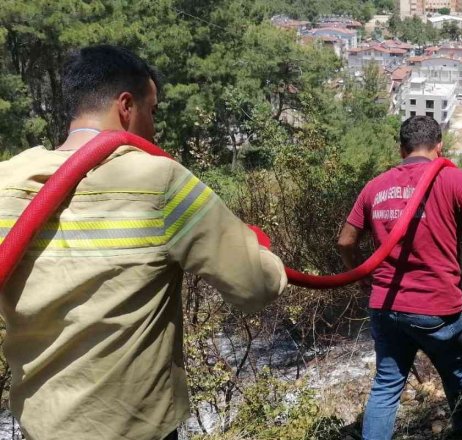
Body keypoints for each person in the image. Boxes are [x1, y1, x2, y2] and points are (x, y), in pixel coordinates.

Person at [0, 45, 287, 440]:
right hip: (134, 430)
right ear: (126, 106)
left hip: (41, 425)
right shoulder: (158, 180)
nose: (154, 127)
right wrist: (261, 253)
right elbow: (255, 285)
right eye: (152, 112)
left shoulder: (7, 181)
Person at [337, 116, 462, 439]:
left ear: (402, 150)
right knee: (455, 375)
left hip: (386, 308)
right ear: (439, 146)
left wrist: (360, 275)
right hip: (438, 310)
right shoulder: (454, 179)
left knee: (386, 387)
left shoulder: (375, 186)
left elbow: (345, 241)